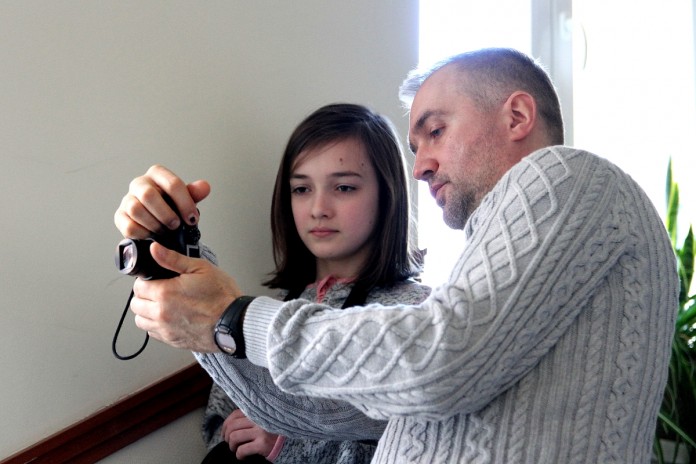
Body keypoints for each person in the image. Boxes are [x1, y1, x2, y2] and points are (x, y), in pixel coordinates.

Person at [118, 48, 679, 463]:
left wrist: (234, 318)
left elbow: (444, 356)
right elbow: (317, 410)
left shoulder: (569, 174)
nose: (420, 166)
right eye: (415, 147)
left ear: (517, 116)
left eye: (435, 131)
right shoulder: (505, 289)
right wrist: (177, 263)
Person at [115, 103, 431, 463]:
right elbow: (219, 420)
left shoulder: (415, 314)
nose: (318, 208)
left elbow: (405, 438)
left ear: (388, 194)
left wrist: (285, 444)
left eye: (343, 187)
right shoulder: (270, 311)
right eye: (301, 189)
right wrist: (170, 245)